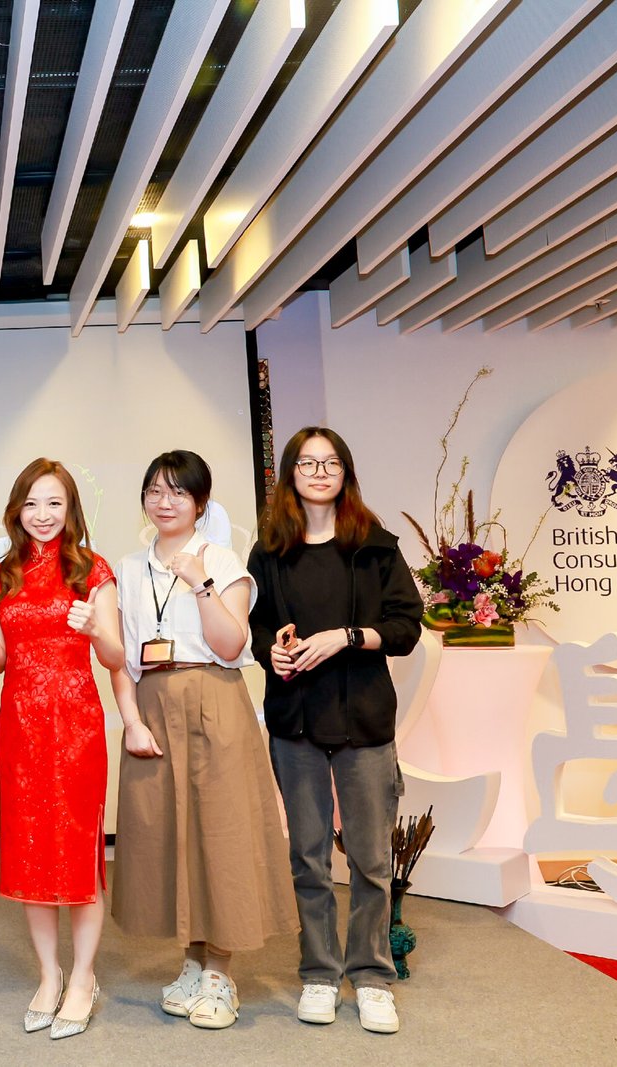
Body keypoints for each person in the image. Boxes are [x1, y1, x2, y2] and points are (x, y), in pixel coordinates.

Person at [111, 450, 297, 1031]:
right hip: (152, 703)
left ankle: (220, 971)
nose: (164, 502)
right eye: (154, 491)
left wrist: (201, 583)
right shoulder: (128, 568)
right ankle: (190, 961)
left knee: (222, 833)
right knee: (167, 832)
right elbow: (121, 659)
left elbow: (230, 644)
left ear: (200, 503)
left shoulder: (222, 560)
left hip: (213, 698)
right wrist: (131, 721)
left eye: (178, 493)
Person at [247, 427, 423, 1035]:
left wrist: (346, 638)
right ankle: (319, 974)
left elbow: (406, 627)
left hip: (363, 718)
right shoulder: (270, 550)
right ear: (290, 474)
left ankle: (372, 978)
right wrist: (273, 650)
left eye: (330, 462)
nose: (319, 472)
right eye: (307, 463)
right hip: (295, 718)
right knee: (308, 857)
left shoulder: (375, 545)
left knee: (371, 859)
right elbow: (256, 627)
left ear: (345, 472)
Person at [0, 459, 123, 1039]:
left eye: (54, 502)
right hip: (21, 727)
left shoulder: (92, 570)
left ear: (71, 509)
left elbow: (115, 657)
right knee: (31, 850)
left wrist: (95, 629)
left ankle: (83, 977)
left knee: (77, 851)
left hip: (77, 725)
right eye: (31, 503)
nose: (42, 514)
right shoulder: (2, 574)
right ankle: (49, 975)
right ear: (16, 511)